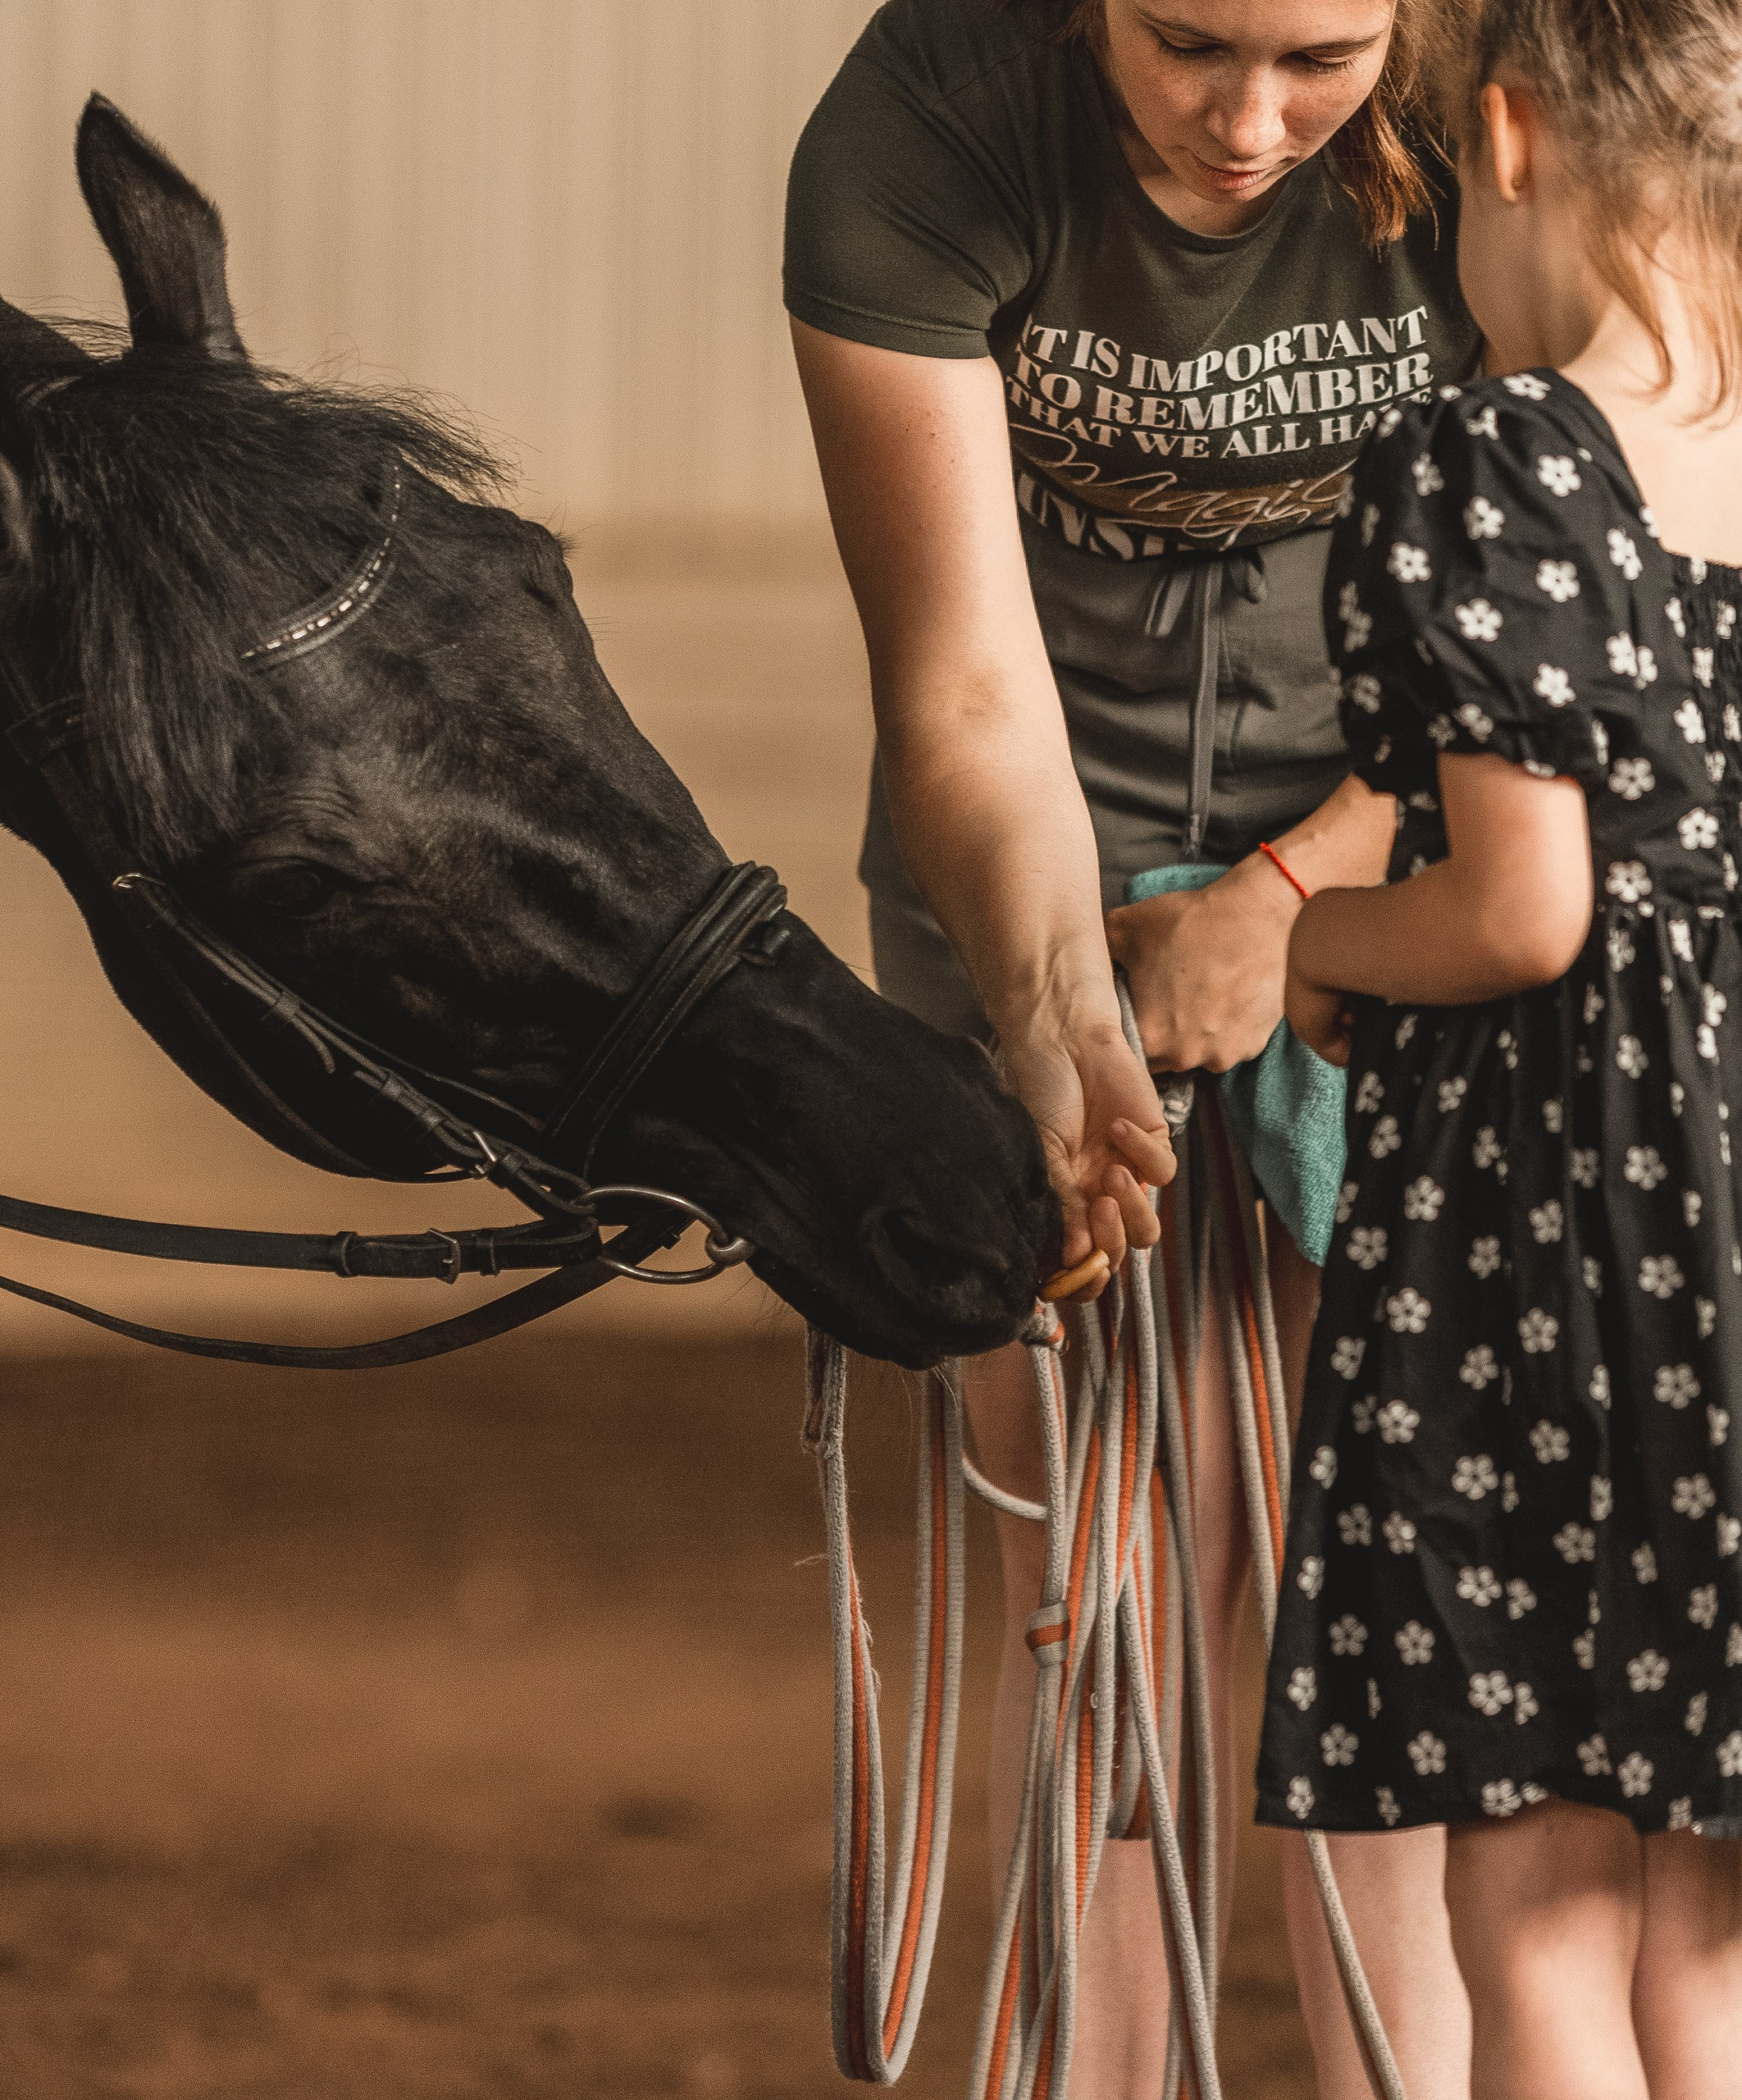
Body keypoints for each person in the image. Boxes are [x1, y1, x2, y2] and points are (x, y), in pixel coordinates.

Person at [785, 0, 1477, 2090]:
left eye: (1320, 56)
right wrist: (1059, 1003)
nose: (1247, 121)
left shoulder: (1504, 101)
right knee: (1106, 1608)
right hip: (1031, 880)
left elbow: (1579, 591)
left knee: (1390, 1598)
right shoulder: (917, 126)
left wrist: (1290, 905)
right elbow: (968, 695)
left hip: (1417, 853)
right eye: (1189, 42)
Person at [1258, 2, 1742, 2093]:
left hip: (1561, 1249)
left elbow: (1521, 910)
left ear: (1517, 137)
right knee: (1709, 1941)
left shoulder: (1501, 454)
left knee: (1535, 1907)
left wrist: (1316, 935)